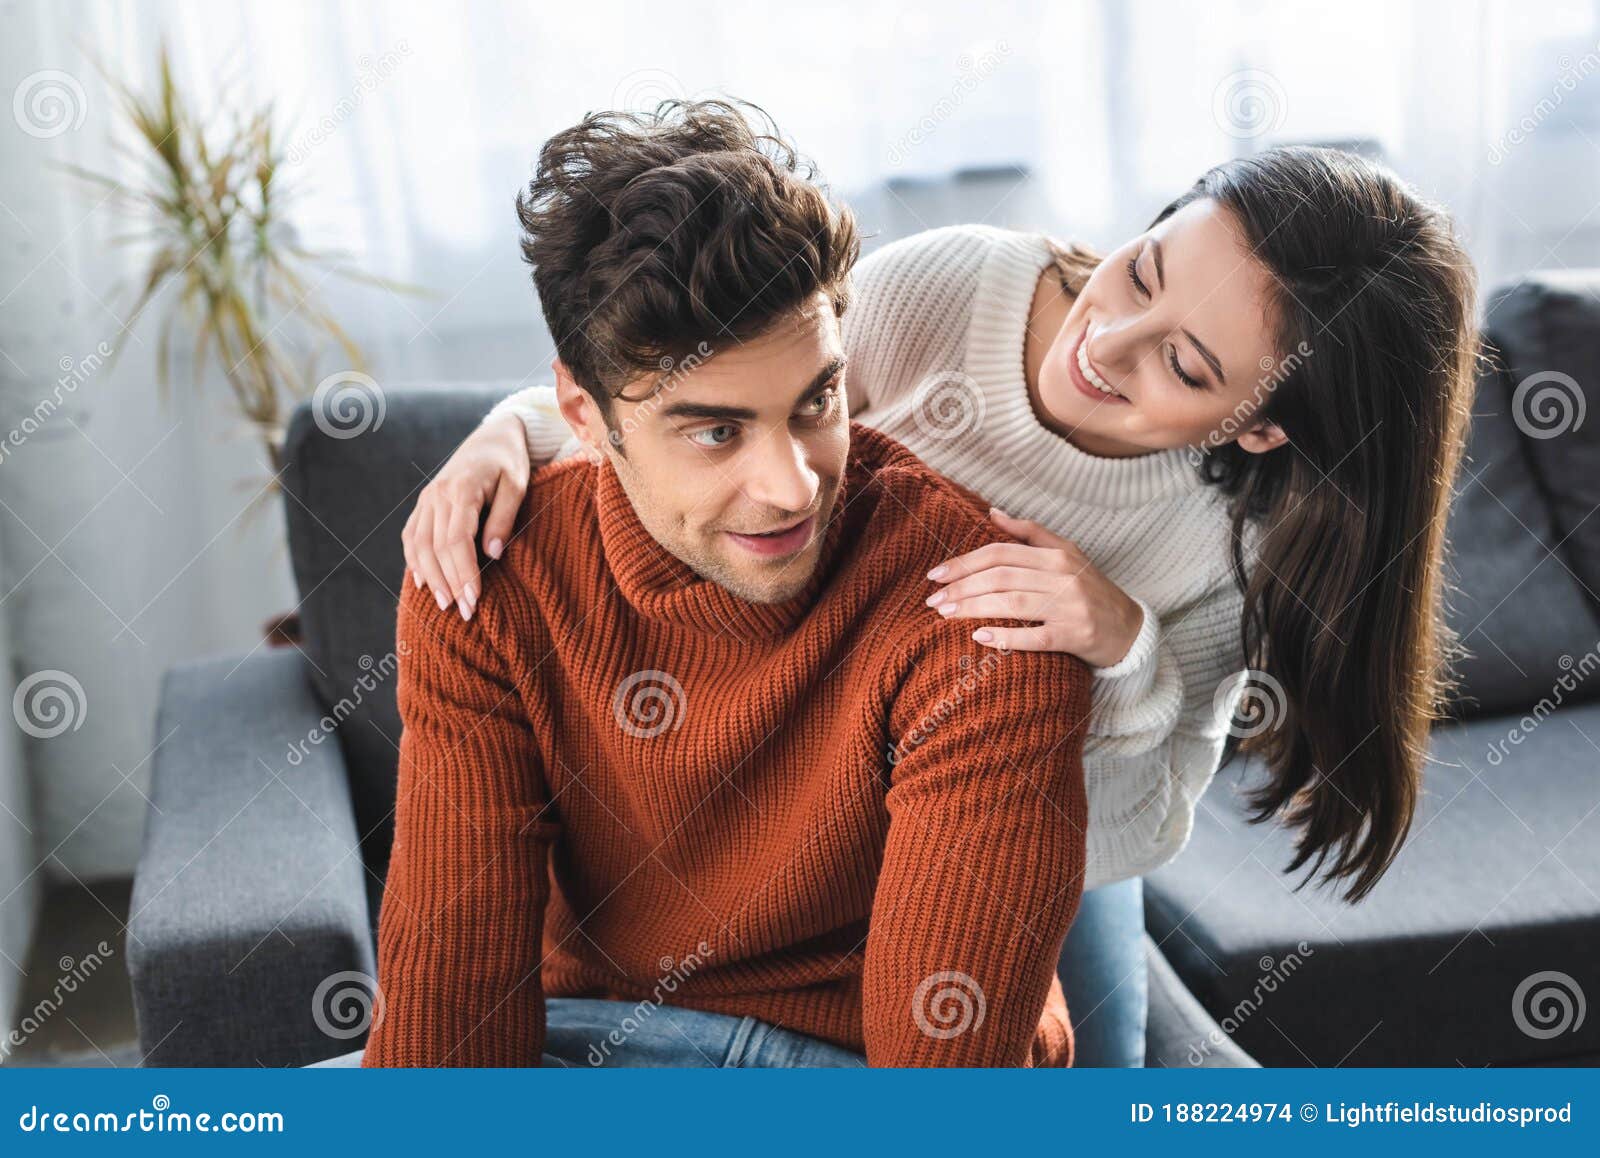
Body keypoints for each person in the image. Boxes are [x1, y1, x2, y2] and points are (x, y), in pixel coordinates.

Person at [405, 110, 1480, 1068]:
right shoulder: (957, 289)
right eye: (1142, 273)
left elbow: (1132, 835)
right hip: (848, 759)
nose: (1106, 341)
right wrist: (513, 432)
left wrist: (1123, 656)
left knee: (1094, 1070)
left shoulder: (1225, 548)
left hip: (1032, 800)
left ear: (1261, 425)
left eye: (1185, 367)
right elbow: (737, 361)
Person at [328, 99, 1095, 1068]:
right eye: (717, 431)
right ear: (583, 414)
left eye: (816, 401)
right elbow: (453, 1017)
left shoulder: (985, 612)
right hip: (591, 1038)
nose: (793, 487)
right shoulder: (492, 587)